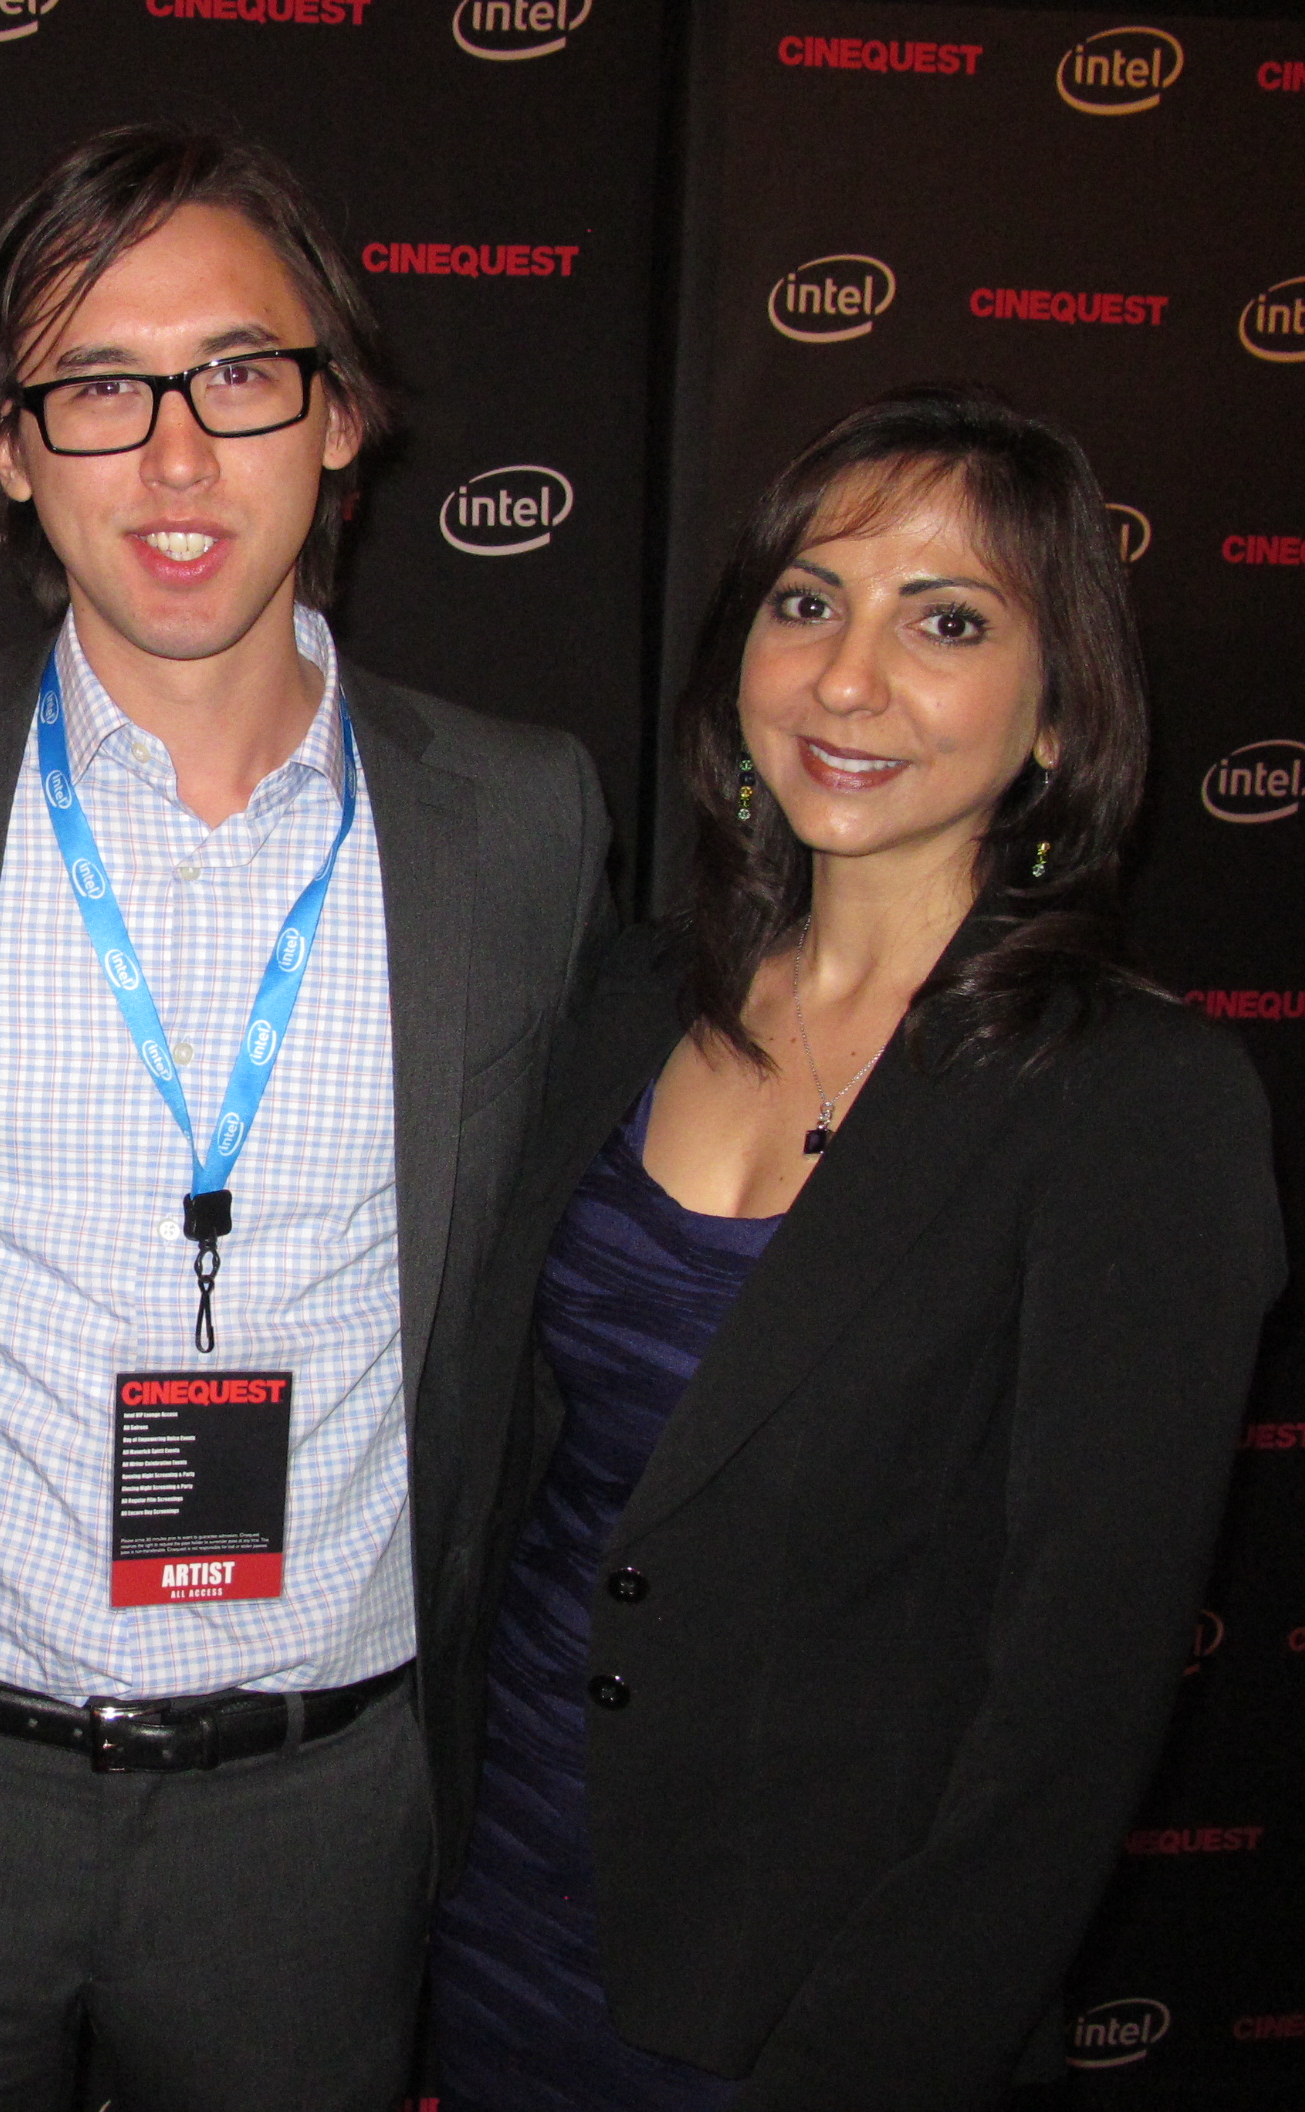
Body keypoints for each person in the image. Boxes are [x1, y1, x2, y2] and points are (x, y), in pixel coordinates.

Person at [0, 125, 609, 2106]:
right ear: (7, 453)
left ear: (343, 416)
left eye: (237, 374)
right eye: (95, 391)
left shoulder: (521, 823)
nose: (175, 457)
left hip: (315, 1812)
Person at [423, 387, 1284, 2110]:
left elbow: (1071, 1716)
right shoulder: (616, 1004)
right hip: (489, 1909)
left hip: (810, 2007)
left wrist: (872, 2054)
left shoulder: (1136, 1106)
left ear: (1058, 713)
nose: (846, 677)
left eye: (946, 620)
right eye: (808, 600)